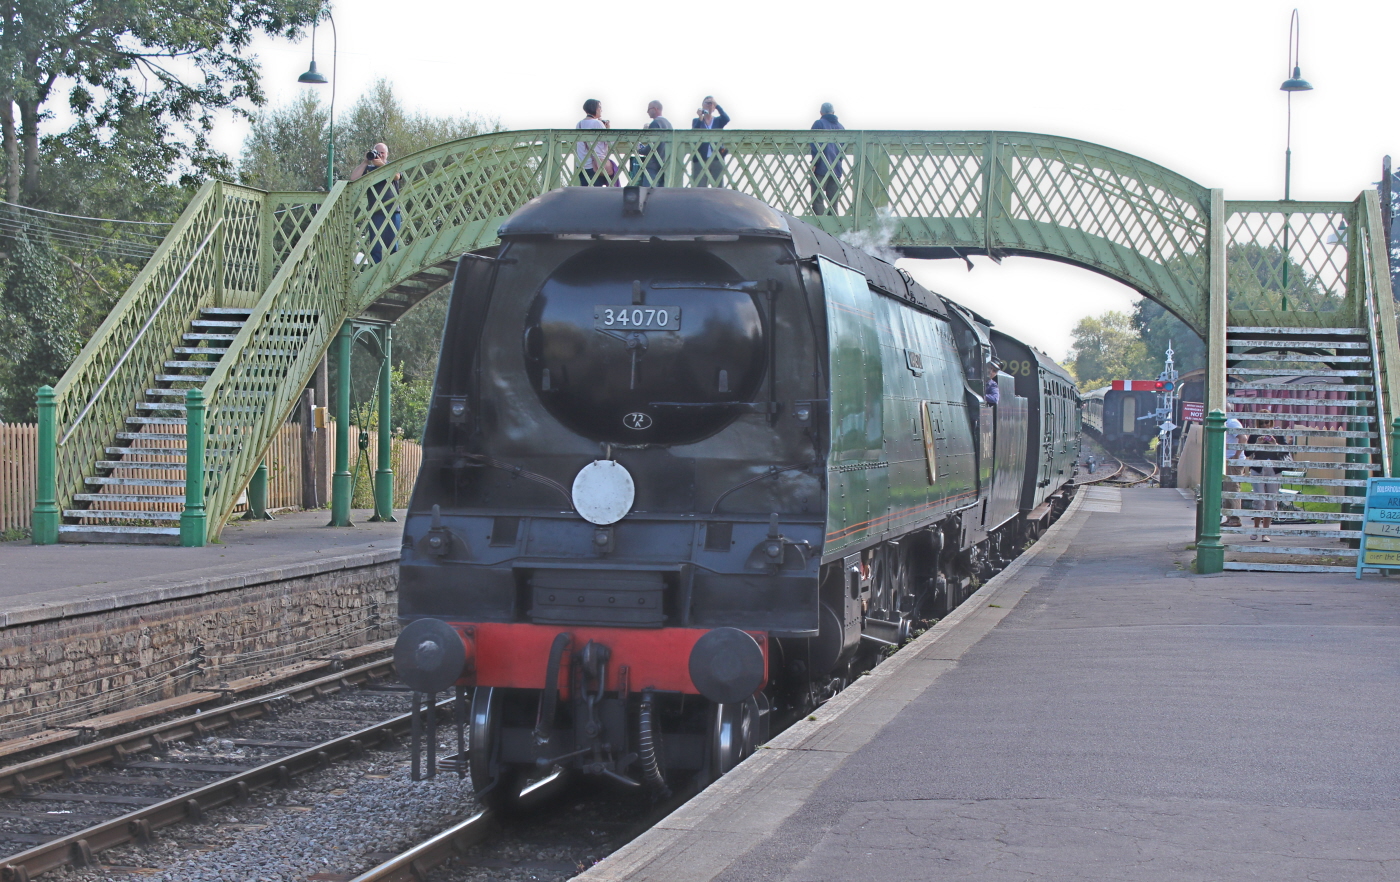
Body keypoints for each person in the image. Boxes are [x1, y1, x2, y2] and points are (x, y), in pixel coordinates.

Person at [350, 143, 401, 264]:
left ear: (387, 154)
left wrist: (382, 165)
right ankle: (375, 271)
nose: (380, 155)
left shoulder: (392, 165)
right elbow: (353, 178)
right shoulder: (369, 169)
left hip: (393, 211)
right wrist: (365, 162)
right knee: (375, 247)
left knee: (393, 246)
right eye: (377, 152)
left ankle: (393, 271)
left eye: (382, 153)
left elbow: (397, 176)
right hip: (375, 212)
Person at [1246, 410, 1286, 540]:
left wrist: (1275, 444)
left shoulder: (1277, 432)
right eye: (1261, 423)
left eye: (1266, 422)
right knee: (1259, 500)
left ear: (1271, 422)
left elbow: (1286, 451)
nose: (1264, 425)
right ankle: (1256, 529)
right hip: (1258, 469)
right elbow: (1246, 453)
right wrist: (1257, 444)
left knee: (1271, 502)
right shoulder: (1254, 434)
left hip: (1274, 469)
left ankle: (1265, 532)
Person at [809, 102, 846, 215]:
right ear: (833, 112)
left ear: (821, 113)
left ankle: (819, 223)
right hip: (836, 170)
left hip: (821, 167)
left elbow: (815, 145)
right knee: (833, 203)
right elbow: (843, 149)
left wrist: (814, 163)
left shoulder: (819, 123)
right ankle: (833, 223)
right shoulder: (841, 127)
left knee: (818, 200)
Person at [690, 97, 729, 187]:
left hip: (716, 158)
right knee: (700, 187)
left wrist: (717, 105)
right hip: (700, 158)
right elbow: (694, 133)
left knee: (718, 186)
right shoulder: (696, 121)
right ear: (702, 106)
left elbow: (726, 119)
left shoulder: (718, 121)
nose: (709, 105)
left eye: (711, 103)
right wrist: (700, 118)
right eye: (707, 103)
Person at [575, 99, 611, 187]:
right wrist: (608, 129)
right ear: (595, 108)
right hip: (596, 165)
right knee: (597, 192)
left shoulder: (579, 124)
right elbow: (610, 142)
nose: (601, 110)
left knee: (586, 192)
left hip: (582, 165)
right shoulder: (598, 123)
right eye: (600, 107)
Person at [636, 100, 672, 187]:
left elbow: (652, 146)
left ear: (655, 109)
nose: (647, 111)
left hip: (653, 165)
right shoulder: (668, 124)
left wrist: (640, 149)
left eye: (649, 109)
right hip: (666, 163)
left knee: (648, 191)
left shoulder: (655, 123)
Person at [1222, 417, 1246, 528]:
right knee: (1227, 488)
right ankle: (1230, 517)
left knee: (1233, 488)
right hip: (1228, 460)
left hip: (1233, 460)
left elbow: (1243, 438)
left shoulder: (1232, 422)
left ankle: (1235, 518)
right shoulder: (1227, 422)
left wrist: (1236, 456)